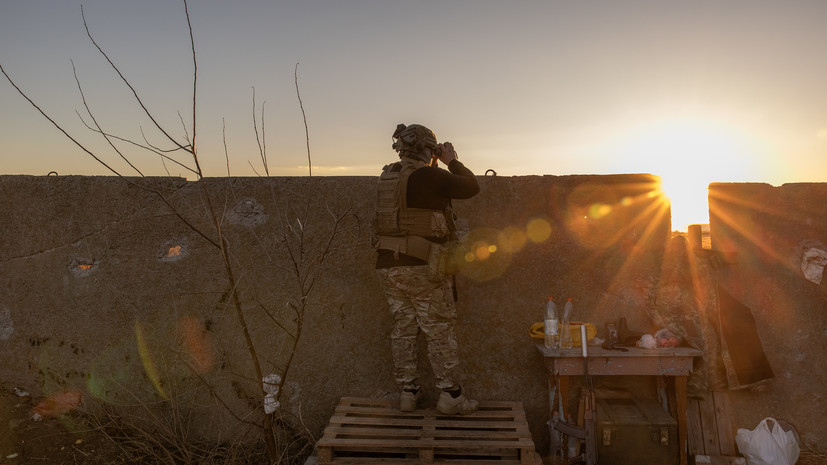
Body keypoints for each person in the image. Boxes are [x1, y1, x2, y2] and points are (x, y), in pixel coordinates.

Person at [373, 123, 480, 414]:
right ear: (427, 149)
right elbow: (471, 186)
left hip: (388, 265)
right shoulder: (430, 174)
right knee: (438, 329)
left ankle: (409, 393)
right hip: (422, 265)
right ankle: (451, 396)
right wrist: (451, 160)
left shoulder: (387, 177)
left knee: (403, 328)